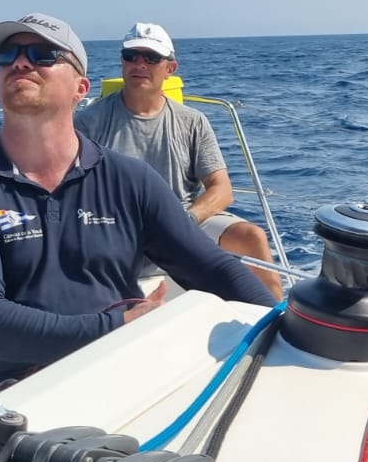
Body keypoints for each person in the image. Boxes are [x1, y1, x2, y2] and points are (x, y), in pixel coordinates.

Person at [0, 13, 276, 390]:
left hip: (129, 367)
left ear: (80, 88)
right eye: (7, 55)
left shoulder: (129, 179)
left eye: (43, 53)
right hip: (25, 390)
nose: (20, 62)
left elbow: (214, 269)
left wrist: (283, 324)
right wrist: (116, 326)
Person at [75, 22, 284, 301]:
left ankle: (274, 325)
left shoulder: (192, 121)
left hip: (184, 220)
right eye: (131, 56)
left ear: (170, 68)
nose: (139, 64)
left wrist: (184, 221)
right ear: (122, 63)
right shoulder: (88, 122)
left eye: (151, 58)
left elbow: (221, 189)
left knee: (252, 237)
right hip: (116, 224)